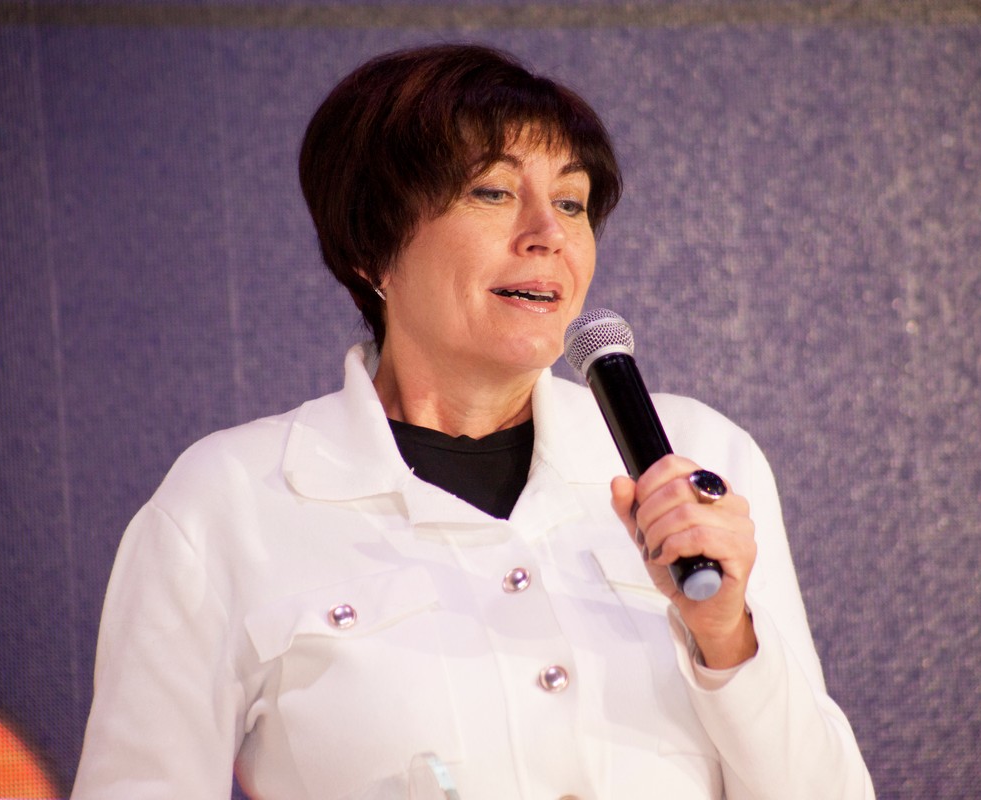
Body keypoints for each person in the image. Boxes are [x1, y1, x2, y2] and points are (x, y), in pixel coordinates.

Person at [72, 43, 874, 799]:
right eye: (493, 193)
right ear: (370, 247)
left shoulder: (697, 458)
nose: (548, 235)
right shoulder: (230, 500)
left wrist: (726, 636)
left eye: (571, 202)